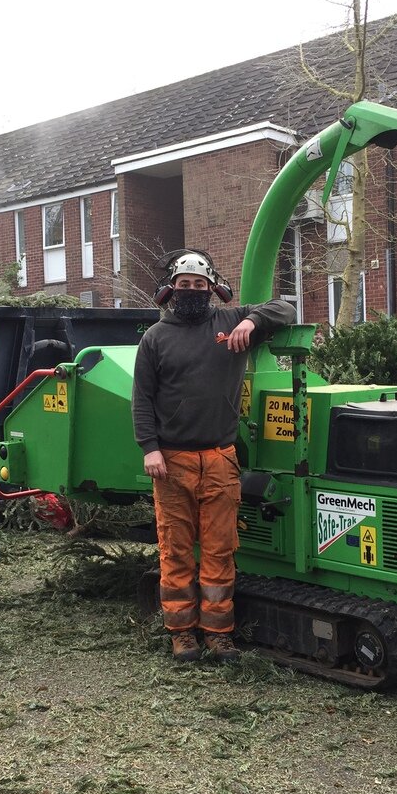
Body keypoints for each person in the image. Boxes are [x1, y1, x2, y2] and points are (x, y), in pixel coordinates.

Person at [132, 249, 295, 663]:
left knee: (221, 551)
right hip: (171, 463)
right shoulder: (154, 338)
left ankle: (219, 635)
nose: (191, 291)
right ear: (171, 290)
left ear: (212, 289)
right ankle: (181, 633)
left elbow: (285, 307)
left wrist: (251, 320)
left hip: (220, 460)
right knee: (176, 551)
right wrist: (149, 448)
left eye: (199, 285)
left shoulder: (228, 320)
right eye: (184, 285)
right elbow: (142, 400)